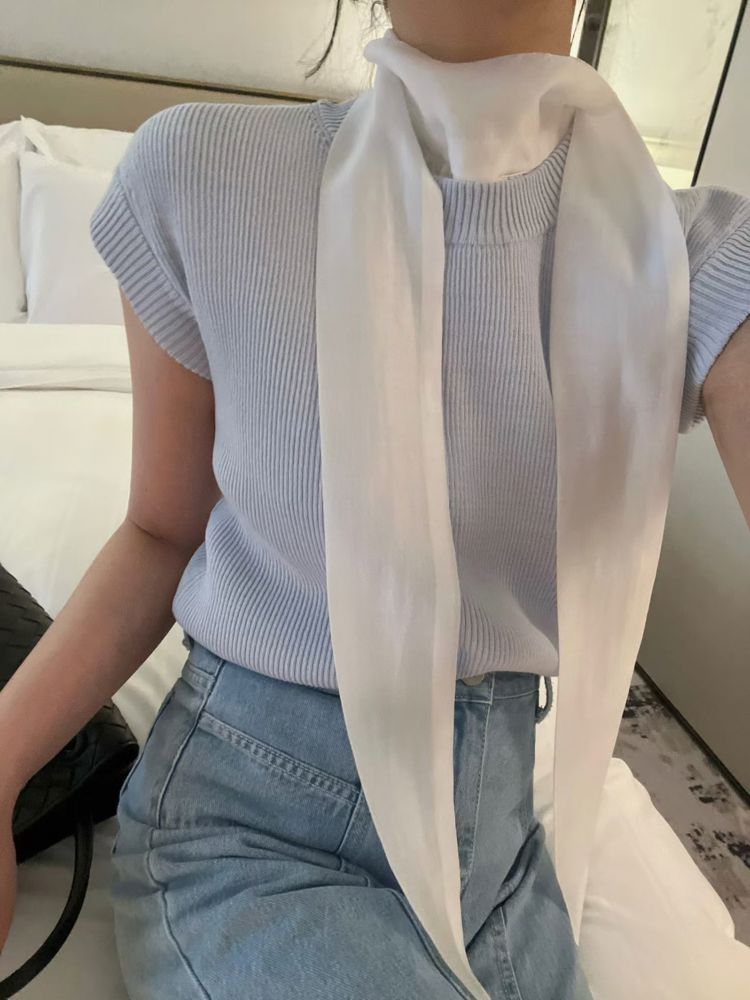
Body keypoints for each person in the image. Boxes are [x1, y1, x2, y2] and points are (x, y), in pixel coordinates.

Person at [2, 1, 749, 997]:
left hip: (500, 859)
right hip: (250, 833)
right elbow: (158, 529)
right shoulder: (197, 172)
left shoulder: (690, 257)